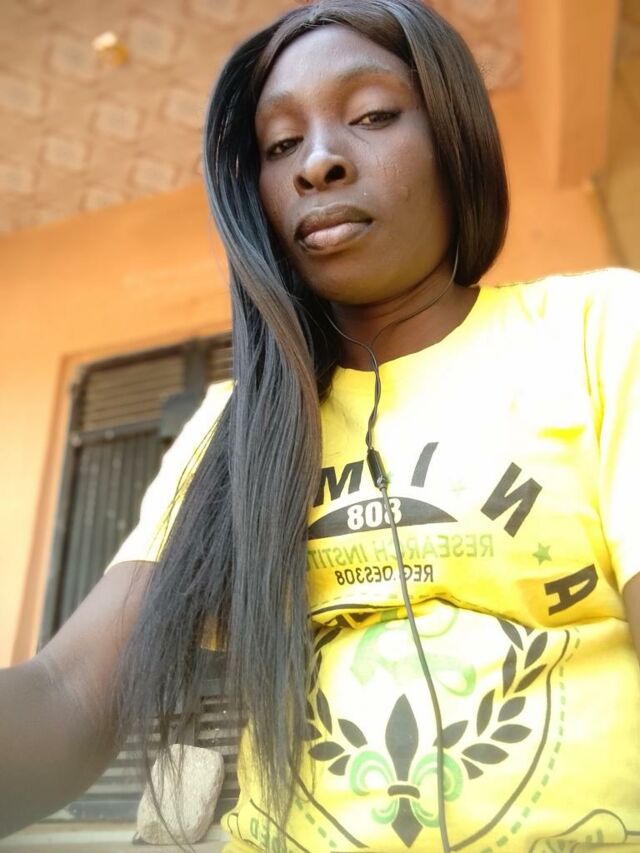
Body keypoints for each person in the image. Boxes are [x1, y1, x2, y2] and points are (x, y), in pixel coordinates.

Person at [1, 1, 640, 850]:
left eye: (372, 115)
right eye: (280, 145)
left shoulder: (599, 328)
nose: (319, 162)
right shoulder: (233, 429)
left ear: (454, 138)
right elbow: (69, 693)